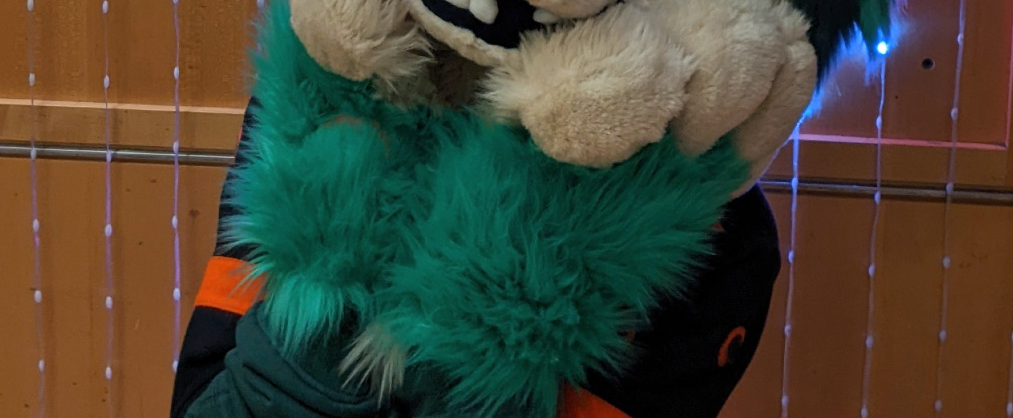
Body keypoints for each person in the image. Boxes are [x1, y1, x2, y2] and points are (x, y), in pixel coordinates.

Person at [170, 97, 782, 418]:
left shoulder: (716, 228)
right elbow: (204, 393)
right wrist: (332, 292)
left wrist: (494, 307)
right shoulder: (324, 99)